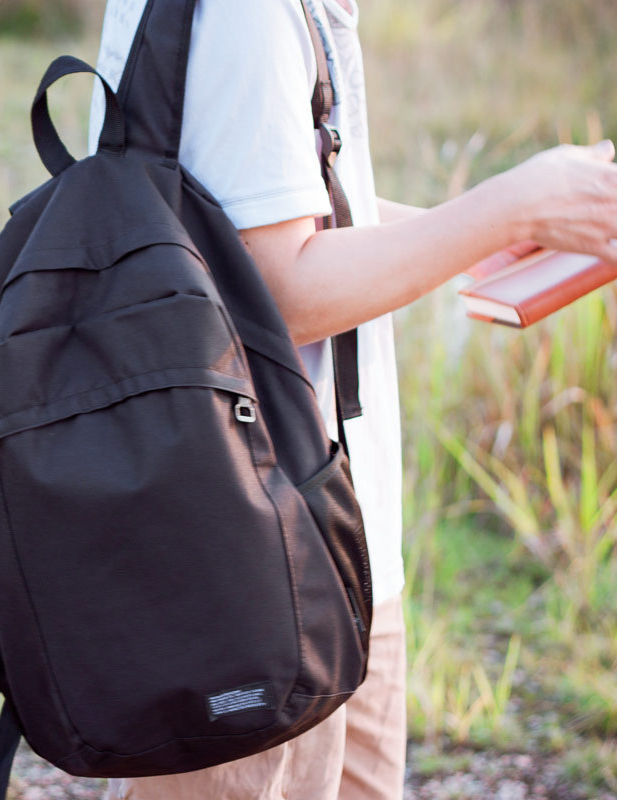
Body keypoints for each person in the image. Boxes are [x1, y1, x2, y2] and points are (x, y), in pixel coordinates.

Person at [87, 1, 617, 798]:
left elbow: (276, 213)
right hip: (254, 563)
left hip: (330, 540)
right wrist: (509, 206)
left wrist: (497, 233)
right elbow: (279, 287)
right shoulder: (247, 12)